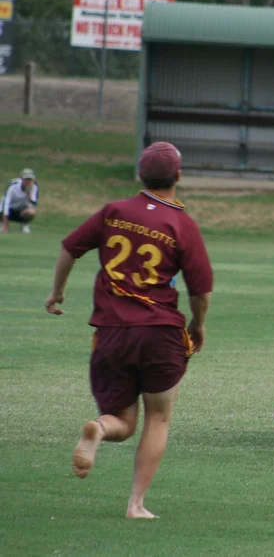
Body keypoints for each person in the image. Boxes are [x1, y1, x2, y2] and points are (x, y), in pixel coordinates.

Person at [44, 142, 213, 519]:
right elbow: (200, 290)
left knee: (122, 420)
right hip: (160, 332)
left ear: (141, 175)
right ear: (179, 176)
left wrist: (57, 291)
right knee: (158, 417)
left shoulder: (113, 211)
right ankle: (136, 504)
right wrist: (198, 325)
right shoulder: (181, 223)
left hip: (110, 332)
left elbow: (70, 248)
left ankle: (100, 429)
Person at [2, 168, 39, 233]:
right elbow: (5, 204)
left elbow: (33, 204)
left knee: (32, 211)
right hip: (10, 209)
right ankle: (3, 225)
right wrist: (6, 226)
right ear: (22, 179)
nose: (28, 181)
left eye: (30, 179)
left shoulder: (35, 186)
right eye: (26, 179)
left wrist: (28, 193)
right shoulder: (13, 185)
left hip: (21, 212)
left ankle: (25, 225)